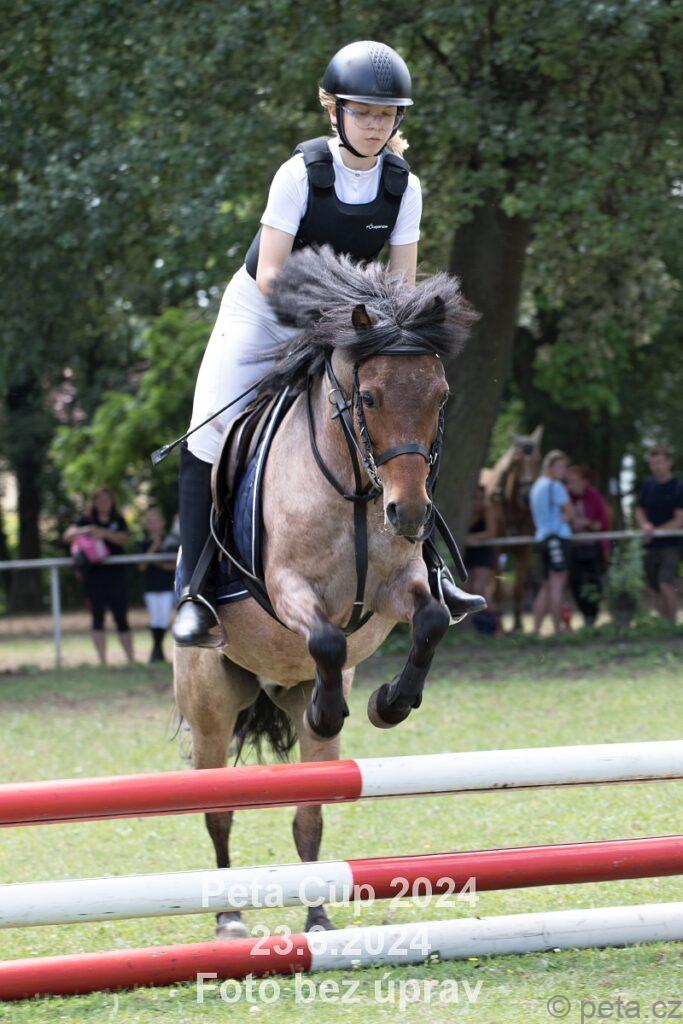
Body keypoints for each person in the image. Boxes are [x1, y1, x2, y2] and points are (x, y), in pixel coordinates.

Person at [173, 39, 484, 647]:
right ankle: (197, 593)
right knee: (208, 430)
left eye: (385, 114)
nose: (374, 125)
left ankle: (433, 573)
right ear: (334, 111)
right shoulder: (300, 174)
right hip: (265, 313)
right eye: (362, 112)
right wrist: (337, 321)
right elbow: (271, 275)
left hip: (353, 324)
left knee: (406, 418)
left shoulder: (404, 186)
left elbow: (400, 285)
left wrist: (385, 340)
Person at [63, 487, 134, 664]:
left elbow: (123, 539)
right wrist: (87, 530)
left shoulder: (118, 520)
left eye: (106, 500)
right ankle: (102, 660)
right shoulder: (85, 520)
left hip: (115, 576)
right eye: (99, 500)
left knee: (121, 616)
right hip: (93, 576)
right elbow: (67, 536)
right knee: (97, 616)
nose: (103, 503)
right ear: (94, 502)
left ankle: (130, 659)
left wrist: (104, 533)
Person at [634, 447, 683, 622]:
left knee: (665, 583)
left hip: (671, 545)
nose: (656, 466)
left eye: (660, 462)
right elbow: (639, 509)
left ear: (669, 463)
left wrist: (655, 532)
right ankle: (663, 624)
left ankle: (673, 623)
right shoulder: (648, 485)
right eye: (653, 463)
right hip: (651, 545)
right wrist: (645, 525)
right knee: (654, 587)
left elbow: (679, 519)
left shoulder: (678, 486)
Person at [529, 450, 574, 636]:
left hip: (542, 538)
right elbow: (569, 512)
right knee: (557, 585)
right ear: (550, 467)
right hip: (557, 538)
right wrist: (564, 519)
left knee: (546, 586)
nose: (563, 471)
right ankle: (557, 629)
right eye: (560, 466)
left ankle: (536, 629)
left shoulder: (536, 486)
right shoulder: (555, 486)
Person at [566, 464, 610, 627]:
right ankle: (585, 615)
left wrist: (587, 523)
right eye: (569, 481)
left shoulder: (594, 496)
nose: (572, 485)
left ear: (585, 481)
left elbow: (603, 523)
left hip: (592, 546)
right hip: (573, 547)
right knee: (575, 582)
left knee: (595, 581)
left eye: (575, 481)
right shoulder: (564, 496)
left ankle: (593, 614)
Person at [139, 508, 179, 662]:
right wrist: (154, 547)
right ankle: (157, 650)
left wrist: (158, 563)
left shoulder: (171, 541)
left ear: (162, 523)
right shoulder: (144, 543)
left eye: (156, 521)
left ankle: (157, 649)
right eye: (150, 522)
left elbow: (174, 564)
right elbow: (142, 566)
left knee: (164, 618)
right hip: (151, 586)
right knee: (156, 618)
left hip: (167, 585)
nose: (153, 524)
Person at [464, 484, 499, 633]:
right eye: (475, 498)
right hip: (467, 553)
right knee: (466, 589)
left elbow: (491, 532)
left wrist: (471, 537)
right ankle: (474, 625)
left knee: (479, 588)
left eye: (480, 498)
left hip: (483, 552)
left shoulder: (488, 510)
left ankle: (496, 624)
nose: (477, 502)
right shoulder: (465, 512)